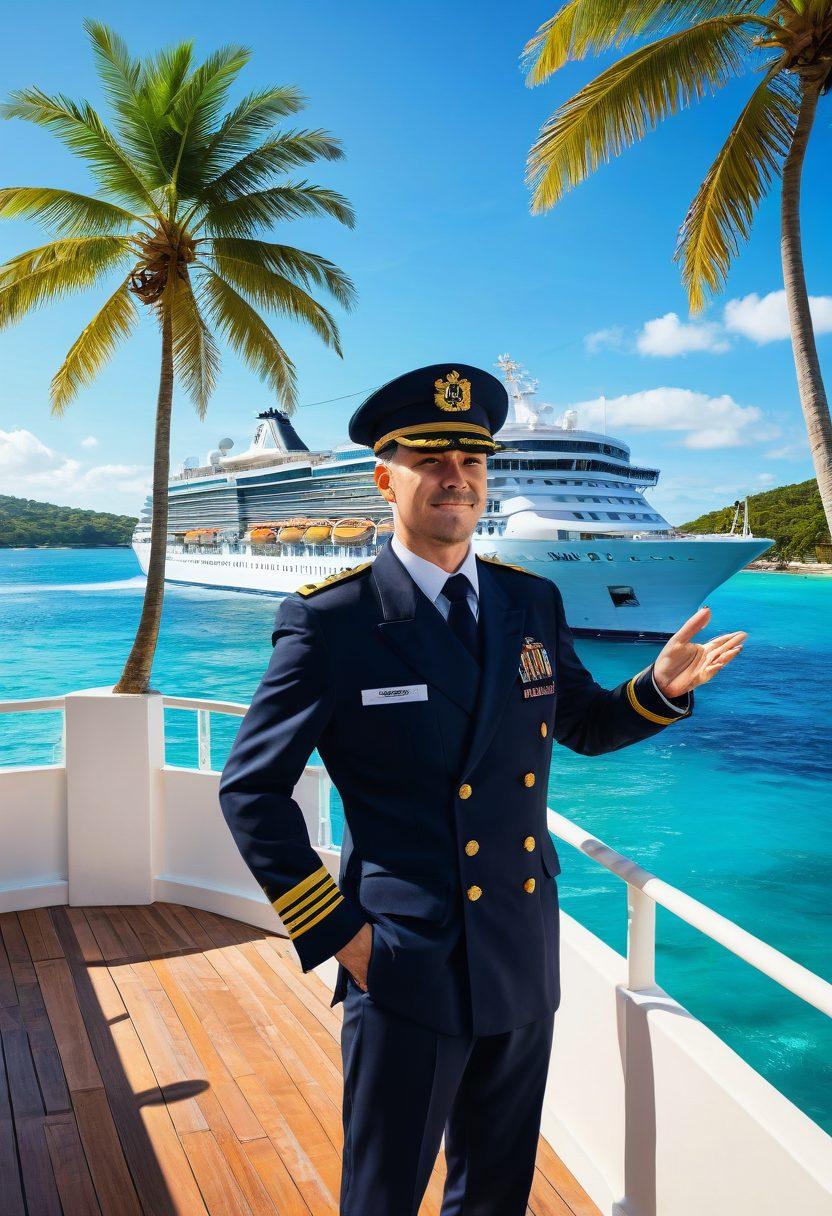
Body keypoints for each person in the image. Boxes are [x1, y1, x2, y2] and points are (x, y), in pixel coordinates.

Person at [218, 363, 746, 1215]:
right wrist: (341, 936)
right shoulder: (333, 621)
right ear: (385, 478)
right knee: (384, 1192)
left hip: (518, 944)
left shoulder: (528, 601)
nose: (454, 477)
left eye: (471, 460)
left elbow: (580, 723)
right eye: (430, 460)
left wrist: (659, 689)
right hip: (402, 957)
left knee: (497, 1191)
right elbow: (251, 791)